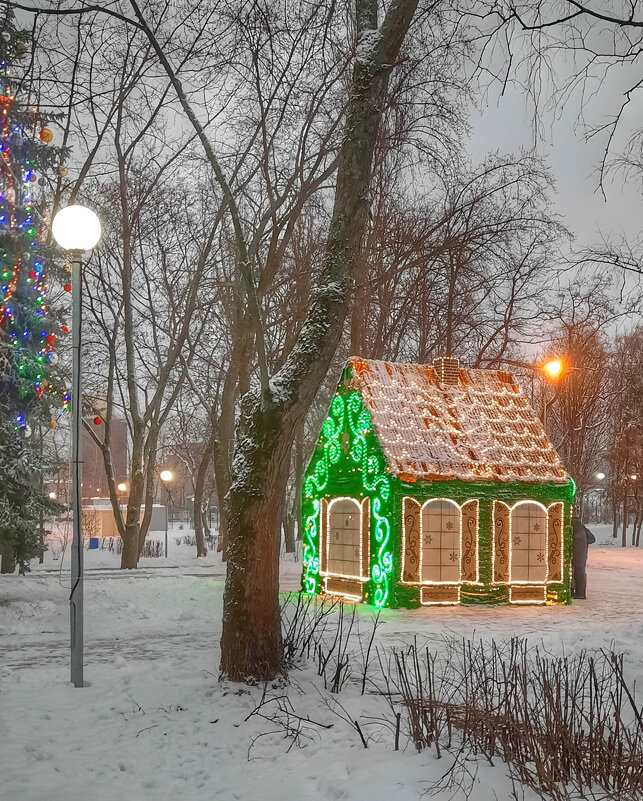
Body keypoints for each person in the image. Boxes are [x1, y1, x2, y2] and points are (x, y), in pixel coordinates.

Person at [571, 515, 596, 599]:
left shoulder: (571, 527)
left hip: (574, 554)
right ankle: (581, 593)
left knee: (574, 573)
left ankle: (575, 592)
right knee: (581, 573)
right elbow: (592, 539)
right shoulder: (583, 528)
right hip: (582, 555)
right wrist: (584, 544)